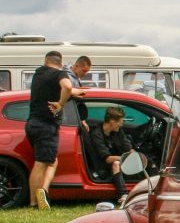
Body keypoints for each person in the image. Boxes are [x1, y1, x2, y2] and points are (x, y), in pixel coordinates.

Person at [26, 51, 78, 209]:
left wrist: (74, 92)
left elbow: (68, 89)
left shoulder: (39, 73)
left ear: (45, 61)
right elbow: (67, 86)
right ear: (61, 63)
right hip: (47, 125)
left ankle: (42, 192)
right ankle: (35, 201)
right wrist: (61, 104)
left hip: (32, 124)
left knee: (51, 161)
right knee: (41, 163)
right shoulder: (60, 74)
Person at [88, 106, 133, 204]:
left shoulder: (117, 131)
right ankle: (123, 195)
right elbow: (107, 159)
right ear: (112, 122)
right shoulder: (96, 134)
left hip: (118, 160)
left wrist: (134, 155)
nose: (121, 125)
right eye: (120, 122)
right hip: (103, 165)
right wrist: (125, 158)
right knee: (116, 163)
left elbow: (128, 147)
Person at [65, 56, 93, 131]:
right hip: (70, 117)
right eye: (84, 71)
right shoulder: (68, 78)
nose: (85, 74)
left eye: (87, 71)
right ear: (76, 66)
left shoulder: (74, 77)